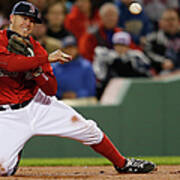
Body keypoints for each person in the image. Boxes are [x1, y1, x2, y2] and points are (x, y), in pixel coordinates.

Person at [0, 1, 155, 176]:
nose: (27, 24)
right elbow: (9, 64)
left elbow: (51, 89)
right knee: (4, 169)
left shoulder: (38, 50)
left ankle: (122, 163)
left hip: (37, 104)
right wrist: (42, 61)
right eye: (23, 18)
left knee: (89, 129)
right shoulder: (3, 41)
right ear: (12, 18)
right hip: (7, 113)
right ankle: (14, 156)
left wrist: (37, 71)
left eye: (32, 21)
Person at [93, 31, 153, 99]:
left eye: (123, 45)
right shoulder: (108, 57)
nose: (120, 48)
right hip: (113, 91)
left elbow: (146, 71)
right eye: (118, 45)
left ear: (128, 46)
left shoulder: (136, 56)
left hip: (133, 90)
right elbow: (99, 73)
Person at [51, 35, 96, 99]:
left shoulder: (86, 66)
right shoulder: (54, 67)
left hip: (82, 102)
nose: (70, 50)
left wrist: (77, 95)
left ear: (77, 49)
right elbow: (49, 88)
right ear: (62, 50)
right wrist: (61, 94)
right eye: (67, 48)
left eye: (72, 48)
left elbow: (91, 89)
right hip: (59, 101)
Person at [143, 8, 180, 74]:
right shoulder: (152, 39)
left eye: (173, 19)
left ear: (178, 21)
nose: (170, 22)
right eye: (167, 20)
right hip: (163, 72)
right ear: (160, 22)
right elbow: (147, 54)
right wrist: (162, 61)